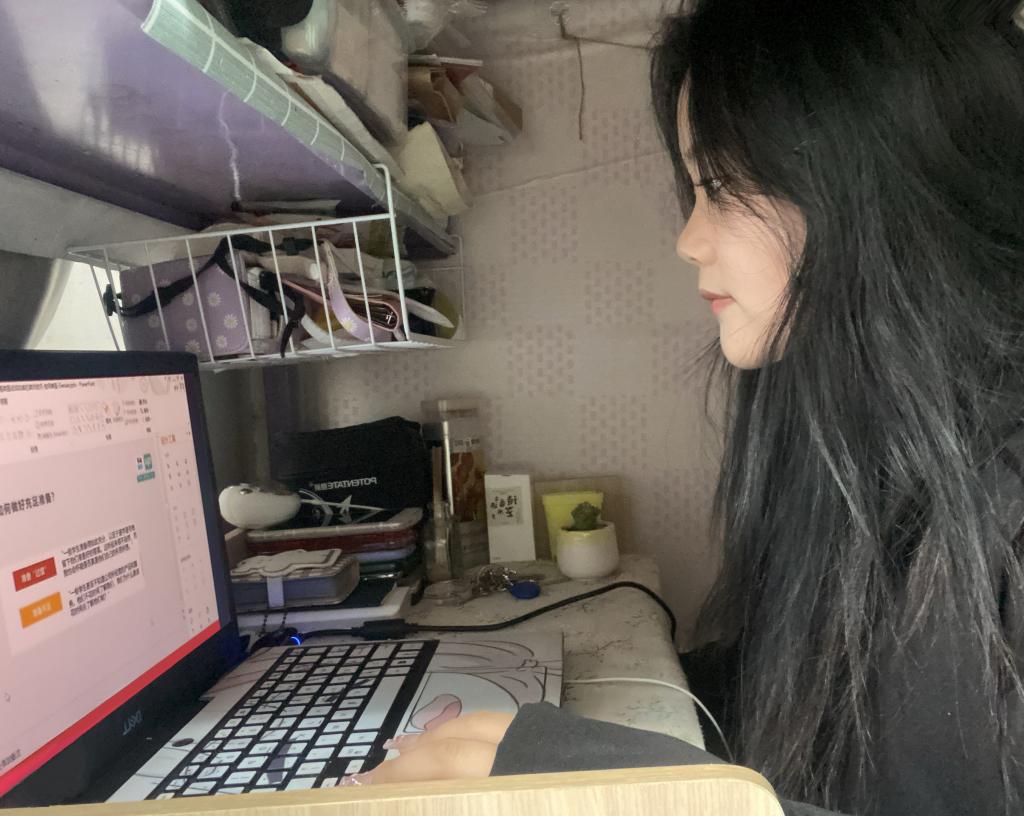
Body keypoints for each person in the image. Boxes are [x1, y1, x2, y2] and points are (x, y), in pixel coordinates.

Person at [340, 2, 1024, 814]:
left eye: (721, 186)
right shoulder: (863, 458)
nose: (688, 239)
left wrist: (609, 784)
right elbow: (810, 710)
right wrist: (588, 729)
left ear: (880, 178)